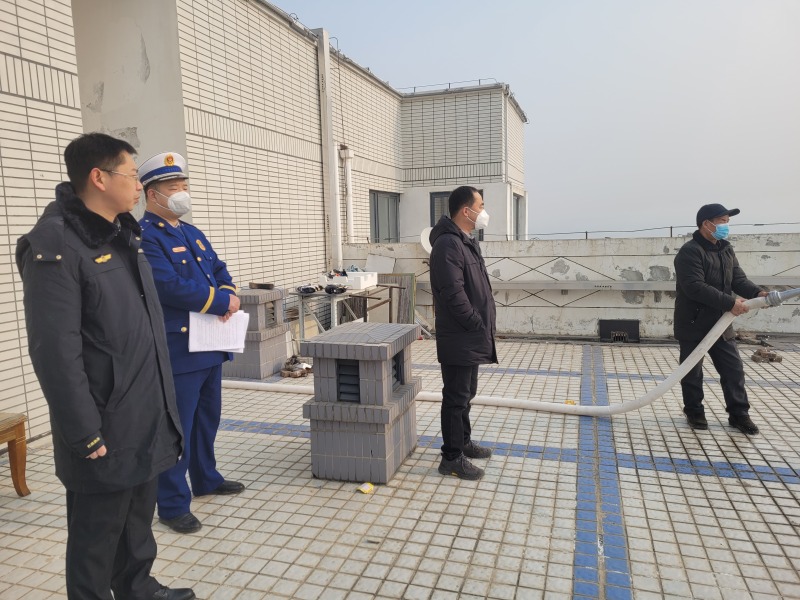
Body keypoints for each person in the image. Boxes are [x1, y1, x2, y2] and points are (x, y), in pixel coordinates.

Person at [16, 133, 194, 600]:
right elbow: (54, 350)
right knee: (96, 537)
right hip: (103, 420)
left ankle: (138, 588)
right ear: (98, 177)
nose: (138, 186)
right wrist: (83, 431)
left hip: (143, 409)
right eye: (132, 176)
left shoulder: (123, 234)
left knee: (137, 519)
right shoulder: (55, 245)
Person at [138, 152, 245, 534]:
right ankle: (171, 504)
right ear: (152, 194)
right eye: (173, 187)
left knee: (206, 418)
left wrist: (229, 293)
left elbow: (218, 268)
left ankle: (206, 478)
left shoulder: (191, 232)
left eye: (184, 186)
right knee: (177, 429)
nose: (182, 193)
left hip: (210, 343)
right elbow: (166, 286)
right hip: (179, 349)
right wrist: (219, 302)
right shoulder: (146, 236)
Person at [674, 203, 768, 435]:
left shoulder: (726, 250)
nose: (726, 226)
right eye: (722, 222)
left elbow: (738, 279)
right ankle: (694, 411)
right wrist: (730, 303)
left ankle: (739, 414)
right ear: (707, 224)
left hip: (721, 322)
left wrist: (758, 293)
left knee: (733, 370)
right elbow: (695, 286)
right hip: (694, 322)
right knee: (692, 372)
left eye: (727, 222)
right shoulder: (690, 252)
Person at [429, 186, 497, 480]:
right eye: (480, 206)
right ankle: (451, 458)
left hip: (470, 334)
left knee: (467, 394)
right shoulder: (448, 244)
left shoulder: (465, 241)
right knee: (456, 398)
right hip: (460, 335)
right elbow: (452, 292)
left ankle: (464, 442)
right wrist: (474, 321)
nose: (483, 212)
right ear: (466, 211)